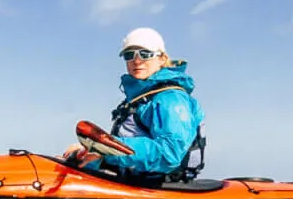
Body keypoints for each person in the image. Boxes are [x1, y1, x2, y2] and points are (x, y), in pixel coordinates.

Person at [65, 27, 206, 182]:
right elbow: (124, 158)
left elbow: (170, 154)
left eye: (145, 54)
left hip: (165, 188)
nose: (136, 60)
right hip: (134, 181)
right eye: (129, 55)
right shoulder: (139, 98)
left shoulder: (172, 99)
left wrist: (105, 150)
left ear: (161, 58)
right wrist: (87, 153)